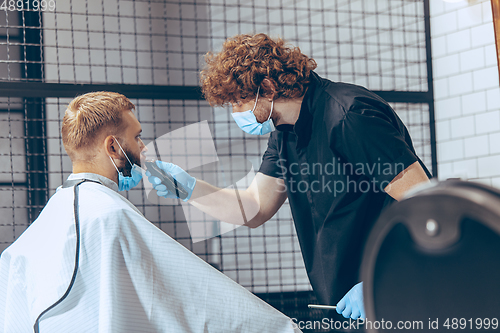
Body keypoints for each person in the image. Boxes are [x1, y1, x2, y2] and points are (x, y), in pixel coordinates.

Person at [147, 33, 432, 321]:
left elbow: (428, 205)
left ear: (268, 88)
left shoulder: (349, 116)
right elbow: (255, 207)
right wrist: (189, 189)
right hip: (345, 306)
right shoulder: (283, 135)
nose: (235, 113)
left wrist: (380, 278)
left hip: (395, 295)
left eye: (238, 102)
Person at [0, 92, 300, 333]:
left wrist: (190, 188)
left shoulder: (45, 224)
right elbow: (194, 295)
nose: (143, 148)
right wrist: (281, 327)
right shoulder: (110, 215)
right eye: (137, 137)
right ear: (113, 147)